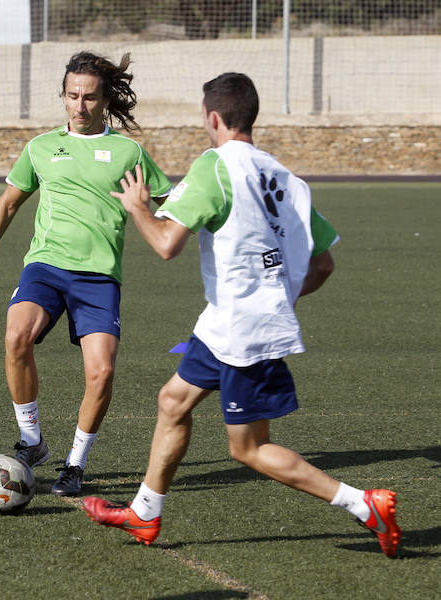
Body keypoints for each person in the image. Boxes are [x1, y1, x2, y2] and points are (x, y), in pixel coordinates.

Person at [82, 72, 401, 558]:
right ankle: (145, 513)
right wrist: (279, 299)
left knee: (248, 448)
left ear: (213, 118)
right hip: (226, 322)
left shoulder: (215, 166)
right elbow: (324, 263)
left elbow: (167, 244)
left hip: (243, 330)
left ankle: (364, 505)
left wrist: (137, 207)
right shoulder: (285, 177)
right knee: (173, 401)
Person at [0, 51, 172, 496]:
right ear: (63, 96)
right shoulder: (39, 147)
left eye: (89, 97)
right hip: (46, 266)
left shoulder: (130, 152)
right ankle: (32, 441)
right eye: (72, 96)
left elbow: (174, 205)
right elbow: (9, 203)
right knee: (17, 337)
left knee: (102, 373)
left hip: (99, 278)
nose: (80, 105)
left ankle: (75, 463)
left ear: (105, 99)